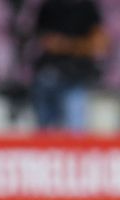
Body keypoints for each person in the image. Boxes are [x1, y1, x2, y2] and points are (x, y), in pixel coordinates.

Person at [30, 0, 108, 132]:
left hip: (76, 76)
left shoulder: (87, 7)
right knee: (47, 132)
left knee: (75, 130)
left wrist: (65, 45)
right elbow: (46, 42)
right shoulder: (49, 6)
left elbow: (99, 45)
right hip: (48, 74)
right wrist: (79, 45)